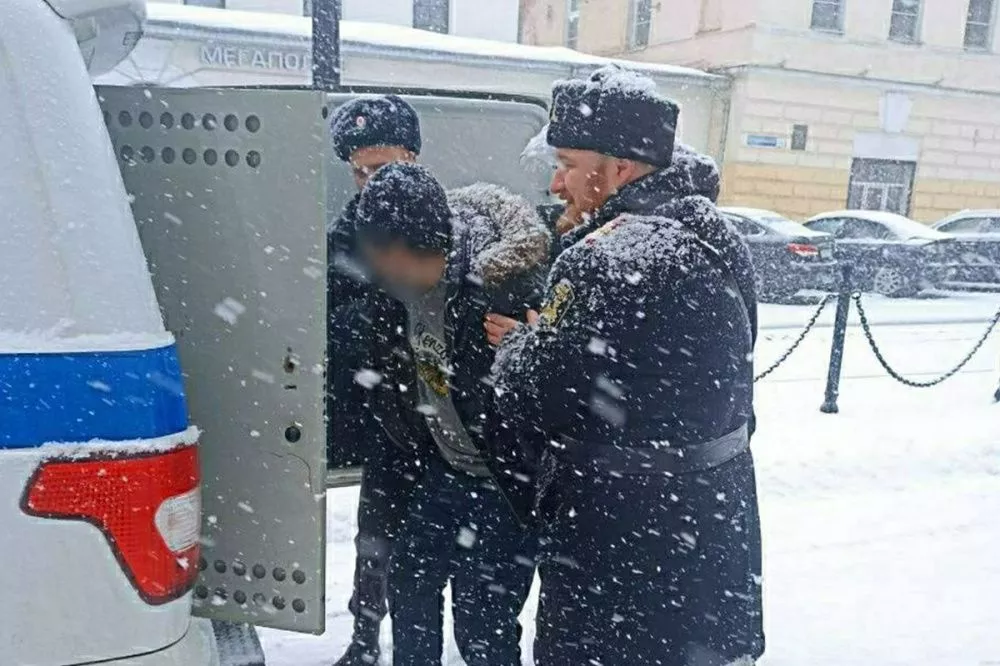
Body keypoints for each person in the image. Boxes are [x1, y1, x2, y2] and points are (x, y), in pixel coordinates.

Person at [490, 66, 765, 666]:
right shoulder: (716, 233)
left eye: (567, 164)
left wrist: (518, 346)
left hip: (620, 535)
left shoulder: (603, 256)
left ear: (619, 168)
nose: (556, 184)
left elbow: (542, 397)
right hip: (714, 520)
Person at [354, 162, 548, 665]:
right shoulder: (391, 287)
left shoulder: (504, 289)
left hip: (506, 483)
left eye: (394, 268)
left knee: (483, 625)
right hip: (442, 471)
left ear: (427, 248)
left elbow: (559, 393)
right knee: (409, 590)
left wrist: (533, 349)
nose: (387, 280)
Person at [327, 95, 424, 666]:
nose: (369, 183)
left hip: (438, 414)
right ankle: (364, 637)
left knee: (433, 546)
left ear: (412, 158)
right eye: (359, 171)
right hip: (383, 415)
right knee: (375, 535)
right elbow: (331, 316)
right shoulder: (346, 234)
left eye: (381, 168)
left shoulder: (441, 221)